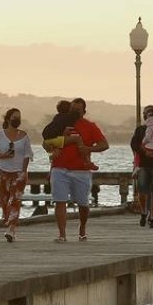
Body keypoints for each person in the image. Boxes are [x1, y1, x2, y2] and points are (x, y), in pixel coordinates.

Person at [47, 97, 108, 242]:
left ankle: (82, 228)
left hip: (81, 170)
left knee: (83, 203)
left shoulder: (90, 126)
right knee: (59, 201)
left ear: (84, 111)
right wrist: (51, 150)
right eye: (72, 110)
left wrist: (88, 148)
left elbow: (104, 144)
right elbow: (47, 140)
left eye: (77, 110)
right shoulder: (59, 124)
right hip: (59, 168)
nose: (74, 113)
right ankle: (62, 234)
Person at [0, 107, 33, 242]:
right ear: (8, 119)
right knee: (4, 200)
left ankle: (11, 229)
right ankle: (7, 219)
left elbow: (27, 155)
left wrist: (23, 172)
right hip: (3, 172)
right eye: (15, 117)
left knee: (15, 200)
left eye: (19, 117)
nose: (17, 120)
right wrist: (3, 155)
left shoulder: (24, 136)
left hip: (18, 173)